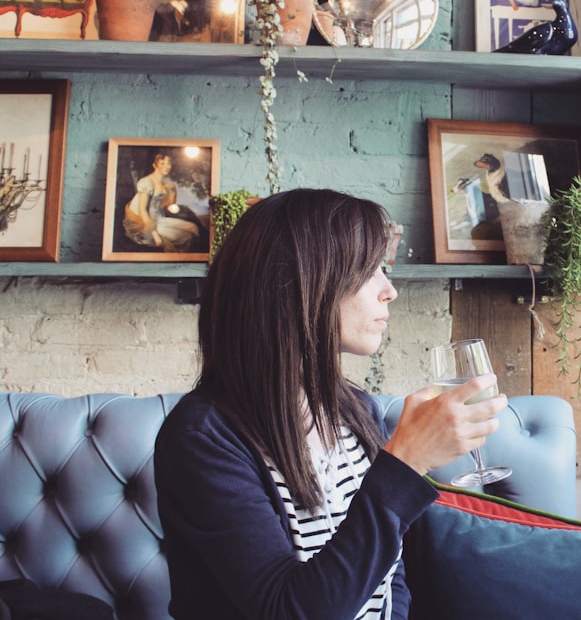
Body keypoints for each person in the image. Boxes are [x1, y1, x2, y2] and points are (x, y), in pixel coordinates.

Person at [153, 188, 507, 619]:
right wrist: (405, 464)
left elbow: (389, 577)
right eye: (367, 270)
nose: (389, 290)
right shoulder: (202, 439)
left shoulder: (354, 410)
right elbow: (290, 611)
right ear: (302, 285)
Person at [122, 153, 206, 252]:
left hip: (160, 219)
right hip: (148, 224)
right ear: (154, 165)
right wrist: (155, 235)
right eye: (162, 163)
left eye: (168, 163)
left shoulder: (164, 184)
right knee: (186, 236)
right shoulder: (147, 182)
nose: (167, 166)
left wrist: (172, 192)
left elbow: (169, 207)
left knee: (194, 228)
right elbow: (142, 210)